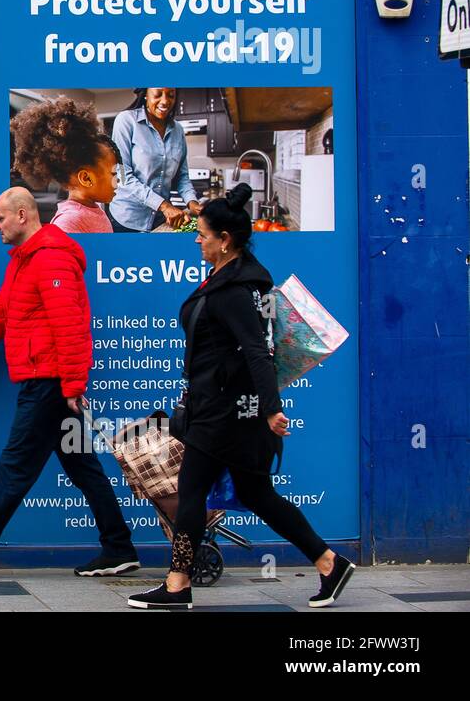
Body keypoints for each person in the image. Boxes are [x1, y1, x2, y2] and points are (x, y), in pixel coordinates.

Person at [128, 183, 355, 609]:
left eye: (203, 234)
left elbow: (256, 350)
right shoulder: (236, 280)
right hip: (226, 407)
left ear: (224, 240)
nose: (197, 239)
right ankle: (328, 562)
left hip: (223, 412)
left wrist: (272, 409)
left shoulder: (234, 290)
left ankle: (177, 586)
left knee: (191, 490)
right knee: (256, 494)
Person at [0, 187, 139, 578]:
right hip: (52, 382)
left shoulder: (51, 258)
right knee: (83, 467)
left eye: (1, 218)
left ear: (22, 215)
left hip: (49, 384)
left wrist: (73, 385)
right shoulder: (25, 262)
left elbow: (70, 327)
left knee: (15, 466)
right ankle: (119, 547)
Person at [11, 97, 120, 234]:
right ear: (86, 178)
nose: (118, 180)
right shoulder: (67, 224)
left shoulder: (94, 208)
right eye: (114, 173)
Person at [107, 88, 203, 233]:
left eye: (171, 95)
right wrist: (164, 206)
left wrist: (192, 202)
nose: (165, 101)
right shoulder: (126, 121)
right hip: (127, 220)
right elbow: (121, 175)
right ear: (145, 94)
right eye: (158, 94)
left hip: (159, 220)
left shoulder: (178, 130)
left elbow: (182, 177)